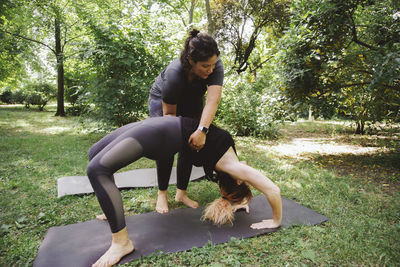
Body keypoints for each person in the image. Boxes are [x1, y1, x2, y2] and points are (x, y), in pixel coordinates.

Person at [86, 116, 282, 267]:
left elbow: (242, 174)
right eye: (227, 195)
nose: (221, 193)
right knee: (94, 156)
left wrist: (240, 202)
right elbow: (273, 189)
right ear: (238, 181)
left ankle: (120, 239)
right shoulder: (235, 169)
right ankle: (114, 218)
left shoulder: (233, 165)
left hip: (164, 128)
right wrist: (275, 220)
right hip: (163, 129)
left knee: (96, 166)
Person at [148, 29, 224, 213]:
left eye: (213, 64)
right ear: (191, 60)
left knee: (190, 142)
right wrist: (177, 136)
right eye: (206, 66)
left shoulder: (214, 65)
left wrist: (201, 130)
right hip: (164, 101)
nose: (211, 69)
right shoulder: (175, 74)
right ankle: (162, 193)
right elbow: (170, 120)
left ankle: (181, 193)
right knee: (167, 142)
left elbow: (213, 100)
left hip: (192, 99)